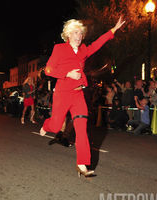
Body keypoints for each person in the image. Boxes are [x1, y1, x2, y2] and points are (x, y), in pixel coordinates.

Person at [39, 17, 125, 177]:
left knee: (82, 129)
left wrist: (113, 30)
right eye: (75, 33)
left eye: (80, 33)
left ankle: (82, 164)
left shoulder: (84, 49)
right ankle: (47, 125)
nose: (79, 36)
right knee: (56, 127)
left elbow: (98, 44)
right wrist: (67, 73)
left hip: (78, 94)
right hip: (62, 94)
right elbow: (48, 70)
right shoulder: (59, 48)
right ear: (69, 35)